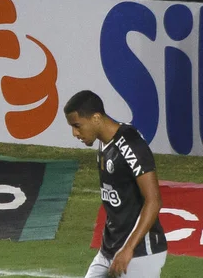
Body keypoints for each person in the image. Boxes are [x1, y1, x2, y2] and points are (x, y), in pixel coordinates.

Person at [64, 90, 167, 278]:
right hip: (109, 251)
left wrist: (128, 249)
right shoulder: (104, 144)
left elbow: (154, 201)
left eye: (77, 126)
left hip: (139, 253)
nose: (75, 133)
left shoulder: (130, 144)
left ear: (96, 118)